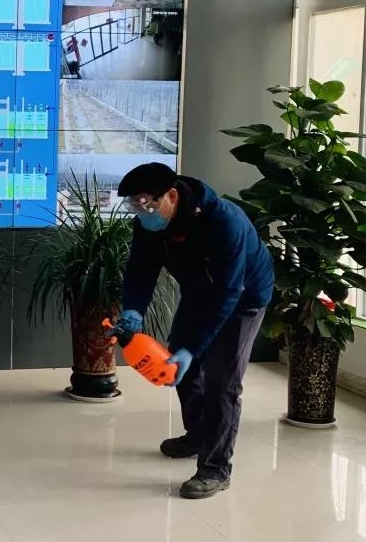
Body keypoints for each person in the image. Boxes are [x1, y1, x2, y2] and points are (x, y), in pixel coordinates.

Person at [115, 163, 275, 499]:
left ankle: (215, 469)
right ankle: (200, 434)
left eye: (145, 204)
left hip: (242, 297)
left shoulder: (223, 221)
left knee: (222, 381)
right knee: (179, 365)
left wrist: (194, 347)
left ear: (171, 196)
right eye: (134, 206)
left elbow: (228, 292)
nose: (141, 213)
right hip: (200, 291)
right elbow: (140, 270)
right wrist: (133, 309)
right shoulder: (148, 224)